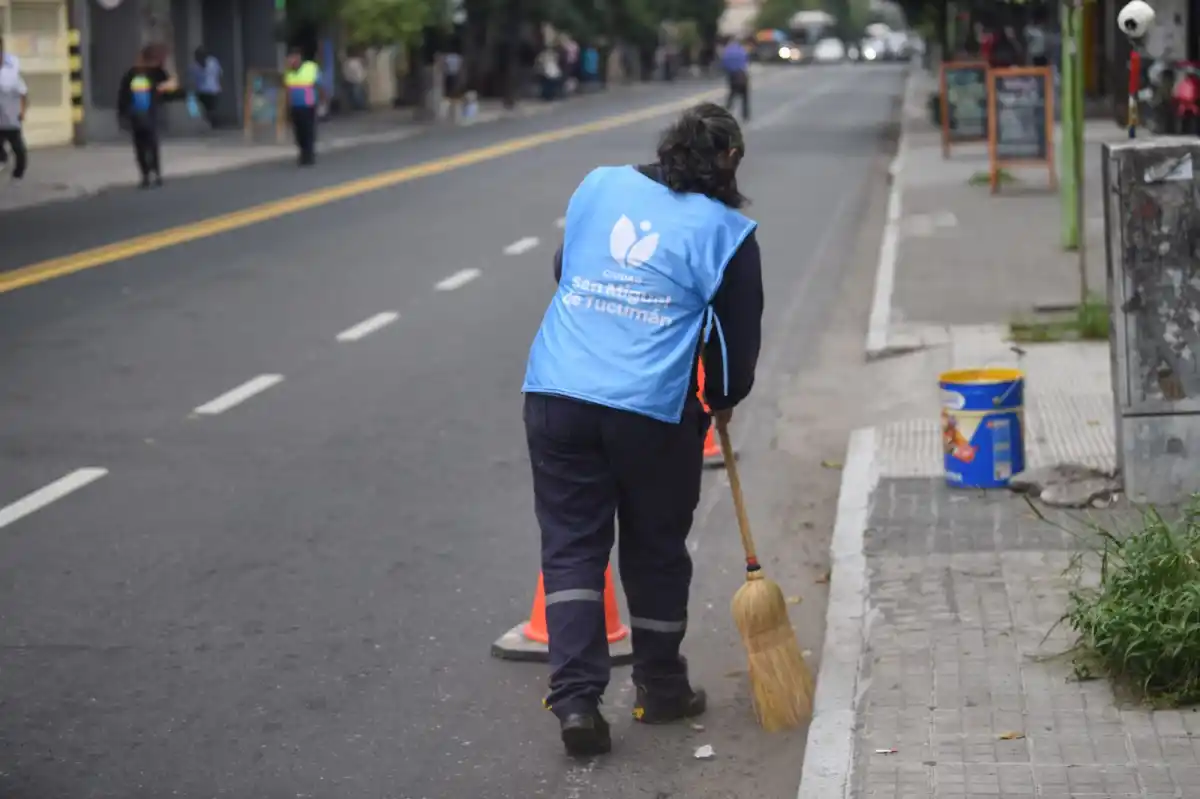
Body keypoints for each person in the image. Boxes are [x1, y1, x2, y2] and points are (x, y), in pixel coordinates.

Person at [522, 102, 764, 758]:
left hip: (556, 391)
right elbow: (736, 347)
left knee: (572, 545)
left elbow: (563, 269)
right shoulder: (728, 233)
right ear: (730, 160)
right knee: (655, 543)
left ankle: (575, 701)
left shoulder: (600, 184)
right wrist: (720, 398)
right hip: (648, 409)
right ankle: (659, 686)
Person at [117, 46, 176, 188]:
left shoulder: (153, 73)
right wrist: (123, 113)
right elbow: (123, 95)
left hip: (149, 115)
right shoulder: (131, 75)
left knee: (149, 145)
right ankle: (147, 175)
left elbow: (170, 86)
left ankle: (153, 173)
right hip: (138, 116)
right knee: (143, 146)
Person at [284, 47, 321, 166]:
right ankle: (302, 153)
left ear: (299, 58)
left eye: (293, 58)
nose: (291, 61)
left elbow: (320, 85)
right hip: (295, 106)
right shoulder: (288, 72)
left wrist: (323, 101)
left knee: (308, 131)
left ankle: (309, 155)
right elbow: (287, 91)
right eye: (289, 59)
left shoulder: (310, 68)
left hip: (308, 104)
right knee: (298, 133)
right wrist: (287, 108)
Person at [0, 36, 28, 180]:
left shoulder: (10, 70)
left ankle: (19, 172)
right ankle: (2, 159)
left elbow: (23, 92)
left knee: (17, 146)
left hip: (10, 115)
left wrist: (22, 111)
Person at [188, 46, 223, 128]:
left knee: (211, 108)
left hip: (213, 89)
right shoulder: (194, 66)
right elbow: (192, 79)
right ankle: (206, 122)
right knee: (202, 108)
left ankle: (211, 123)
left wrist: (219, 84)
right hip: (201, 90)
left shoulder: (213, 62)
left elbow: (219, 73)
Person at [720, 37, 750, 121]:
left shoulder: (727, 51)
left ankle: (726, 112)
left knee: (732, 94)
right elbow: (745, 61)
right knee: (744, 97)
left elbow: (724, 63)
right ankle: (745, 115)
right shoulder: (741, 50)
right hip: (741, 75)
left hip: (732, 75)